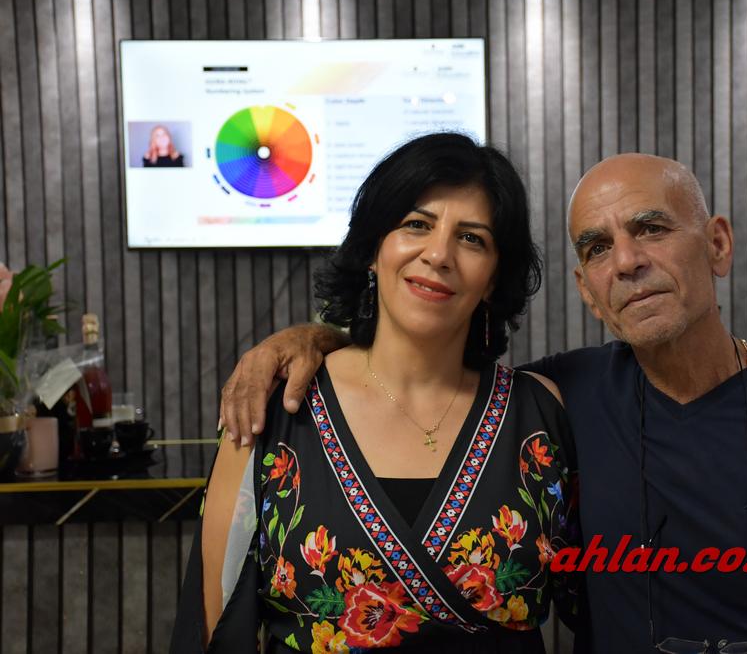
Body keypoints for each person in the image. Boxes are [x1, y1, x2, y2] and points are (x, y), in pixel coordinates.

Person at [219, 153, 747, 653]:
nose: (627, 261)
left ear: (718, 245)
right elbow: (418, 353)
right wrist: (306, 340)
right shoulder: (557, 400)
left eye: (651, 229)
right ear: (586, 289)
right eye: (597, 248)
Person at [171, 133, 580, 653]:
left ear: (494, 279)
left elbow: (606, 604)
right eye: (416, 225)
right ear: (372, 249)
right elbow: (215, 628)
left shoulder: (539, 415)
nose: (439, 254)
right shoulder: (275, 411)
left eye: (471, 238)